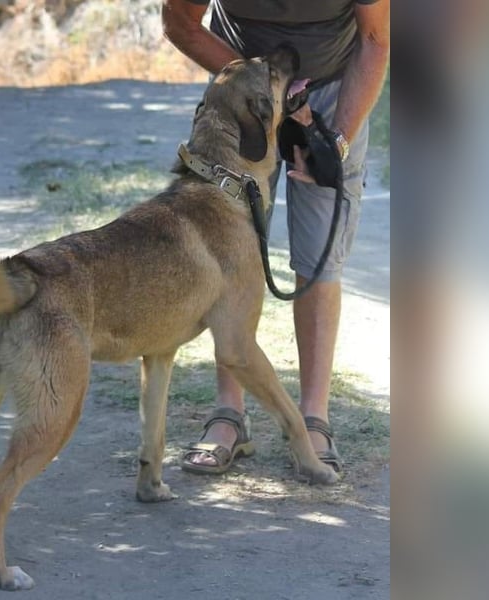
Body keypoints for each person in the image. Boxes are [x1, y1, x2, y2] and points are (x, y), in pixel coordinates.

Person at [162, 0, 390, 475]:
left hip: (333, 88)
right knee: (226, 253)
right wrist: (255, 89)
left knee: (318, 263)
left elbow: (374, 40)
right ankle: (230, 414)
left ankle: (313, 419)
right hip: (242, 92)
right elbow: (179, 22)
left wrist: (336, 143)